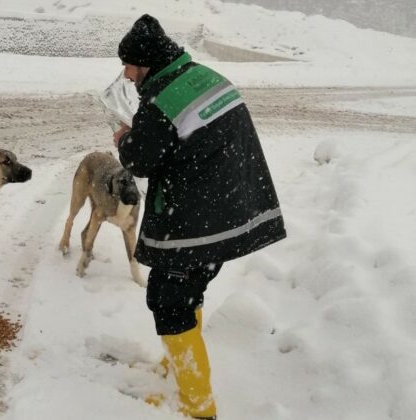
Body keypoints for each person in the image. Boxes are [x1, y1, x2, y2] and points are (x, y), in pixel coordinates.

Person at [113, 14, 287, 420]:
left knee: (167, 299)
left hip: (198, 218)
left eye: (129, 65)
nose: (126, 73)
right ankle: (176, 367)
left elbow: (140, 160)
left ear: (147, 63)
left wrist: (125, 139)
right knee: (186, 291)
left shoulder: (162, 100)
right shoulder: (202, 75)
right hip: (230, 209)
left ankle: (198, 406)